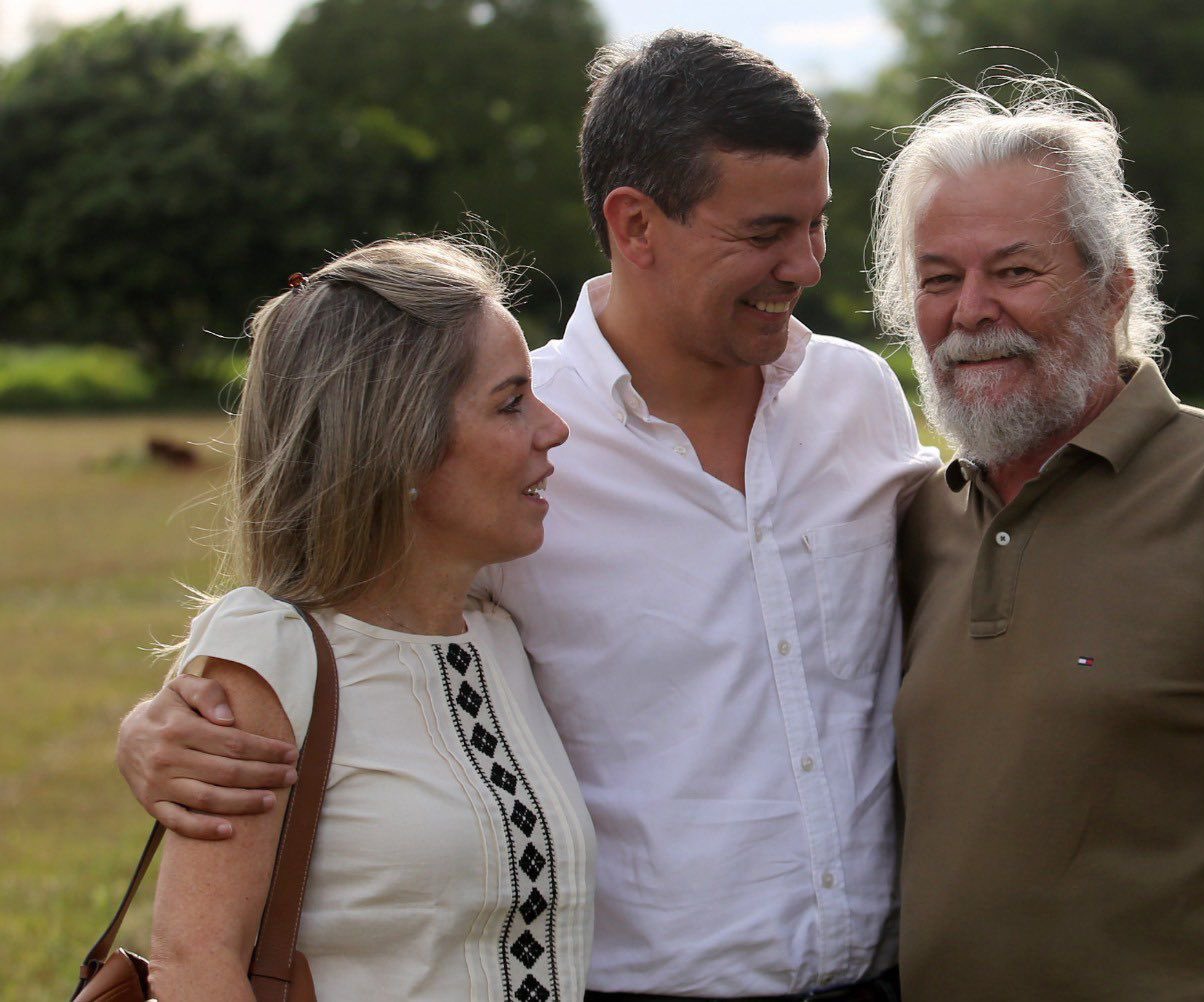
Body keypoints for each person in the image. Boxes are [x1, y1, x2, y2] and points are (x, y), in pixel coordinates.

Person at [117, 32, 936, 1000]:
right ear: (635, 224)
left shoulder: (861, 400)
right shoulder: (507, 447)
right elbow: (335, 612)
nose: (804, 263)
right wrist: (166, 725)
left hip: (885, 980)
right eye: (763, 233)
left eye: (818, 222)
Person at [870, 80, 1204, 1000]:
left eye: (1015, 270)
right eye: (938, 277)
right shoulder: (918, 519)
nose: (970, 311)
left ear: (1115, 286)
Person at [145, 237, 595, 1001]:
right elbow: (195, 963)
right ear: (400, 440)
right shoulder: (270, 651)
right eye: (511, 401)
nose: (553, 429)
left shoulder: (501, 639)